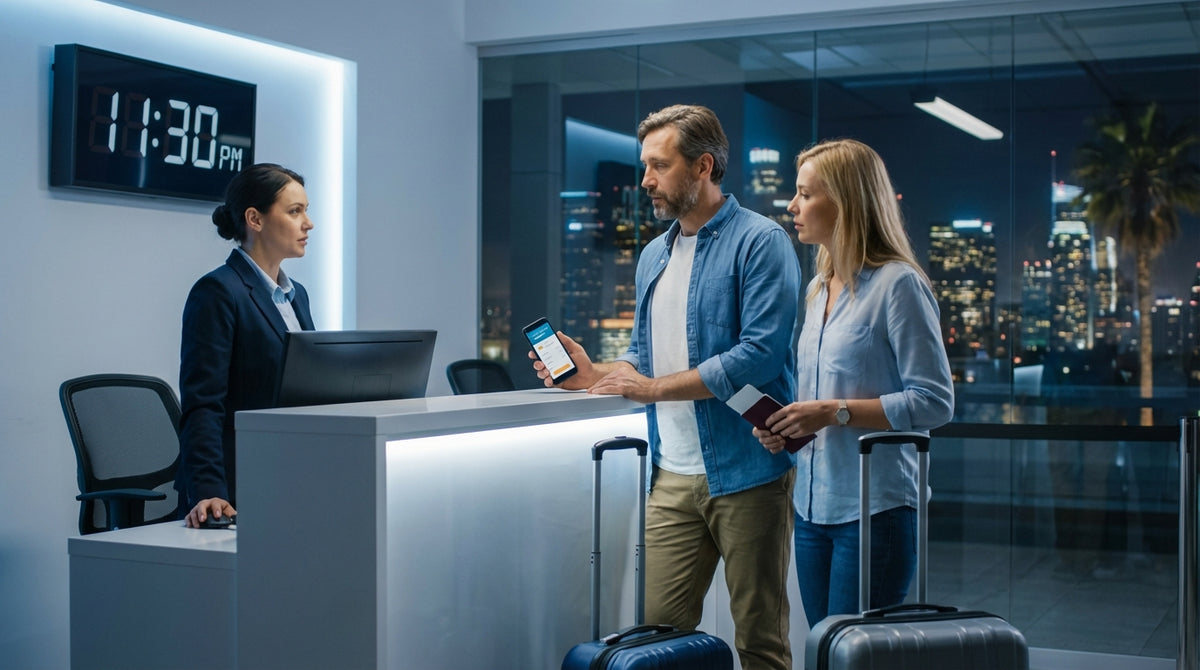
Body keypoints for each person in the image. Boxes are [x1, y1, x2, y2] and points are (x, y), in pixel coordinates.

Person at [531, 104, 801, 670]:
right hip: (671, 475)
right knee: (654, 638)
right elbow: (643, 357)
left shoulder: (761, 241)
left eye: (659, 165)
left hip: (747, 472)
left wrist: (651, 389)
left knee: (761, 642)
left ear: (703, 166)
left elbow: (757, 355)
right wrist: (594, 373)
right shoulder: (654, 254)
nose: (646, 180)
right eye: (644, 166)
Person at [753, 138, 954, 626]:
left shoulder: (898, 285)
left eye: (805, 194)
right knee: (823, 650)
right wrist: (789, 428)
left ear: (844, 202)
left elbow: (935, 401)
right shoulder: (817, 288)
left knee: (854, 656)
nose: (792, 206)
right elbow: (815, 399)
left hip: (875, 511)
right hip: (811, 507)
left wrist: (833, 411)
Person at [176, 163, 315, 528]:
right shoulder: (219, 291)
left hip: (292, 475)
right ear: (255, 219)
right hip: (238, 487)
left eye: (306, 211)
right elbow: (203, 402)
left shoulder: (296, 295)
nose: (308, 223)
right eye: (295, 211)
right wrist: (209, 491)